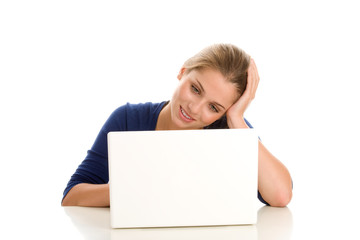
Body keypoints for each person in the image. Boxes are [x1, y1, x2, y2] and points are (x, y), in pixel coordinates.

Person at [61, 43, 293, 207]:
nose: (194, 108)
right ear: (183, 71)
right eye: (195, 89)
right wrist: (134, 191)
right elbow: (72, 196)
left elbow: (280, 196)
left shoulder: (230, 132)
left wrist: (236, 120)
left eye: (214, 107)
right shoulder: (127, 119)